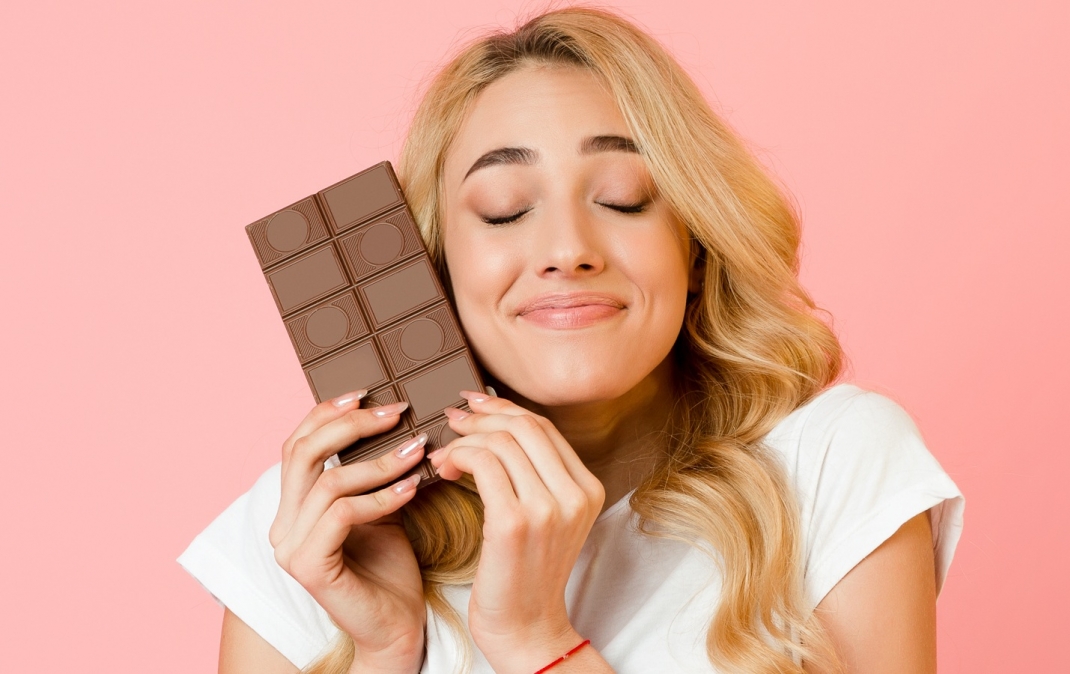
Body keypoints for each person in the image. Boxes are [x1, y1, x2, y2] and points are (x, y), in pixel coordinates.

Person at [179, 8, 964, 674]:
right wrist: (385, 651)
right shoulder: (313, 526)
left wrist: (536, 644)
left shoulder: (834, 462)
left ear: (694, 246)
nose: (566, 248)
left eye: (623, 200)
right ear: (438, 267)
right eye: (502, 209)